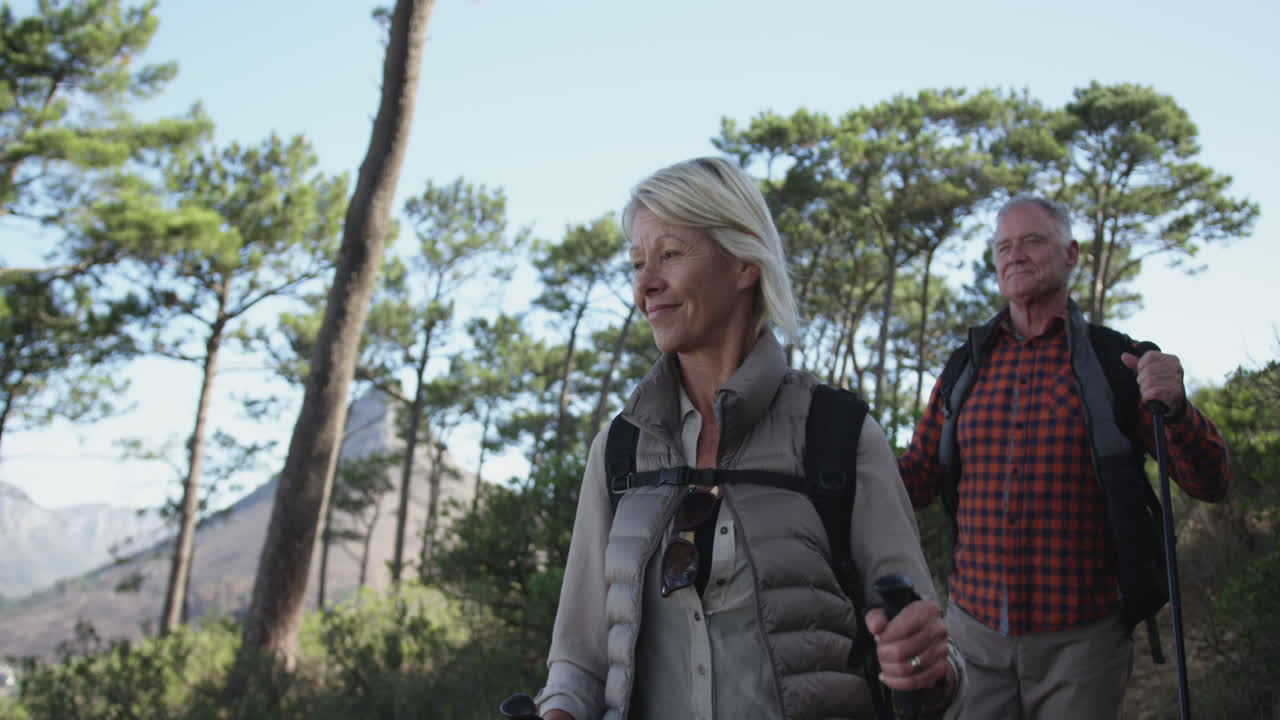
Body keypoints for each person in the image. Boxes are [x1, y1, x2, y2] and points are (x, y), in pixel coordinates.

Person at [531, 156, 965, 720]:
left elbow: (934, 671)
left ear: (744, 263)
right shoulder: (617, 452)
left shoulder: (839, 435)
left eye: (670, 254)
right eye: (637, 263)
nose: (645, 284)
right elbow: (577, 667)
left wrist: (925, 670)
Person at [897, 194, 1232, 719]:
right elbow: (913, 478)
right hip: (974, 636)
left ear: (1072, 254)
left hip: (1084, 642)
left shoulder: (1117, 362)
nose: (1016, 255)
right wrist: (847, 452)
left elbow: (1211, 481)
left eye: (1033, 240)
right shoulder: (964, 369)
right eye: (1003, 246)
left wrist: (1179, 409)